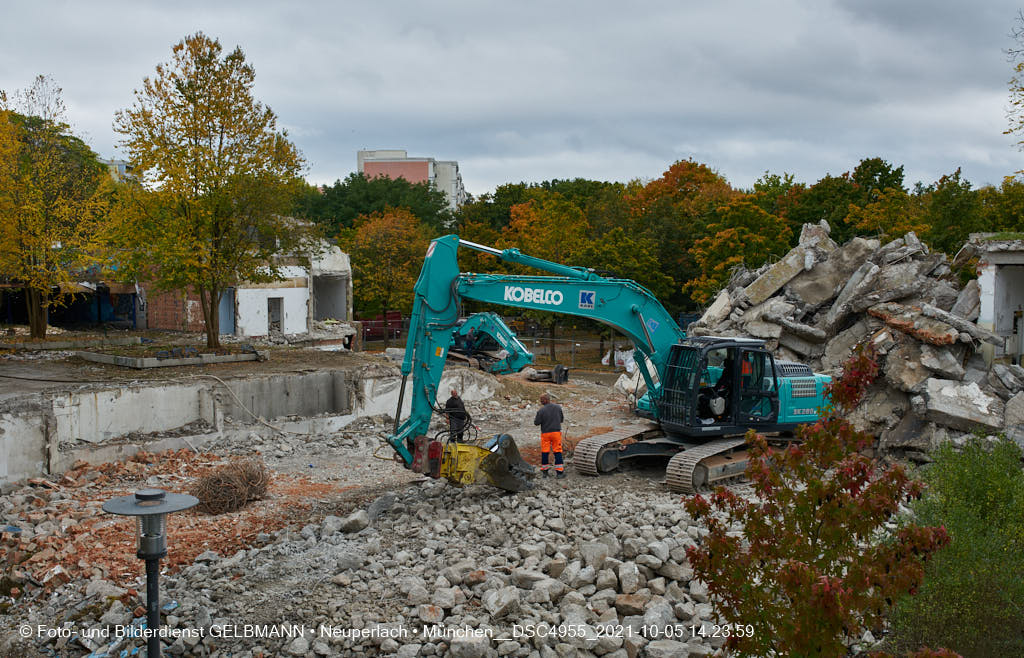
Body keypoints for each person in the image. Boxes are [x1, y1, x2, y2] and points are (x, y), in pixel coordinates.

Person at [534, 392, 565, 478]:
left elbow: (536, 423)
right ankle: (559, 473)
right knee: (557, 451)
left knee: (545, 452)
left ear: (545, 400)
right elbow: (561, 419)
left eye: (542, 400)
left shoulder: (541, 410)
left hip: (545, 434)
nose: (541, 402)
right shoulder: (558, 407)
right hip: (556, 433)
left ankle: (545, 472)